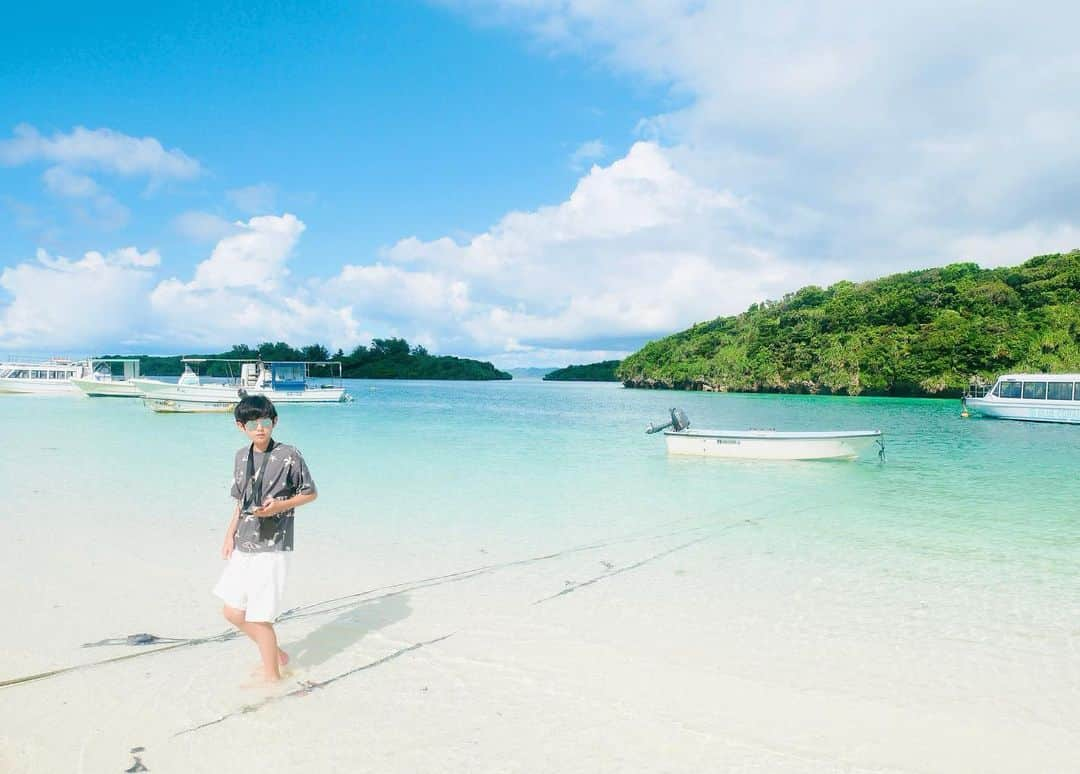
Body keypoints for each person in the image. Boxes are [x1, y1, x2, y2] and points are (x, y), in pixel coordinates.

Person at [212, 394, 317, 681]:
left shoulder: (289, 454)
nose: (260, 428)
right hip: (244, 543)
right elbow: (240, 502)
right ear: (240, 426)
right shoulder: (240, 456)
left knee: (260, 617)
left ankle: (273, 679)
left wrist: (280, 506)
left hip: (273, 545)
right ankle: (277, 654)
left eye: (266, 421)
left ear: (274, 422)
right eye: (252, 423)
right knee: (232, 611)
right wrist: (228, 535)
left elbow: (310, 493)